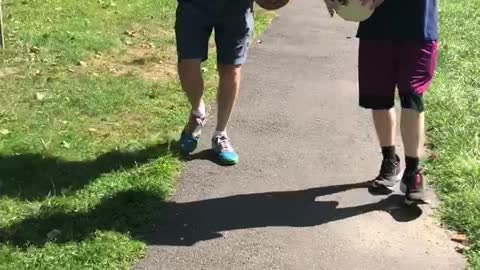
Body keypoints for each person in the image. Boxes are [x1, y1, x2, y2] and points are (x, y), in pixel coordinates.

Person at [325, 0, 438, 204]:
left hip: (417, 24)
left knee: (412, 95)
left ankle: (413, 173)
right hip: (377, 25)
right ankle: (389, 160)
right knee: (379, 97)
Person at [175, 0, 254, 165]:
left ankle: (220, 133)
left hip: (237, 8)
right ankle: (198, 113)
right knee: (188, 62)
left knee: (231, 67)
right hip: (194, 5)